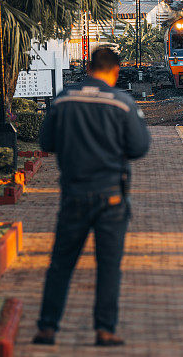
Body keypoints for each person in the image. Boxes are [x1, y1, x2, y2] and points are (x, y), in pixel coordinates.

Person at [32, 47, 151, 346]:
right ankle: (105, 329)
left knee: (61, 263)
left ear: (88, 67)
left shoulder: (63, 100)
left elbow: (46, 141)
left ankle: (47, 327)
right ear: (114, 71)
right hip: (111, 196)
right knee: (109, 266)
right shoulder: (122, 103)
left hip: (73, 193)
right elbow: (139, 148)